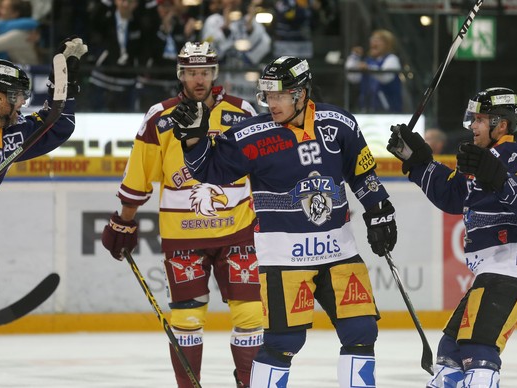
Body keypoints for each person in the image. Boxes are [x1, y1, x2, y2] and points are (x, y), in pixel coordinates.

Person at [170, 56, 398, 387]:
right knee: (283, 344)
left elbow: (362, 173)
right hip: (285, 260)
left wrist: (379, 211)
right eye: (268, 96)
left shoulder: (339, 124)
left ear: (301, 94)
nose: (271, 103)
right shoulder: (252, 135)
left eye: (279, 95)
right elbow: (209, 171)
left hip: (339, 252)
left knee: (361, 331)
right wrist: (192, 141)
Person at [101, 41, 262, 388]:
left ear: (214, 73)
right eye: (191, 72)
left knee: (250, 315)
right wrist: (124, 219)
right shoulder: (160, 116)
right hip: (183, 235)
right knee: (187, 318)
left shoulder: (243, 112)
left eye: (204, 72)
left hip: (237, 231)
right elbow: (139, 174)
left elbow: (264, 166)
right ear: (181, 74)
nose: (199, 79)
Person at [386, 87, 517, 387]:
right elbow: (452, 195)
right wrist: (417, 159)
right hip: (495, 273)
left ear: (501, 124)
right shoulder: (481, 159)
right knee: (451, 354)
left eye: (479, 119)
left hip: (516, 269)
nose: (472, 126)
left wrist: (497, 175)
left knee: (478, 352)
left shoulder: (515, 154)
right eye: (472, 118)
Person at [0, 36, 87, 346]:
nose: (22, 102)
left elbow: (58, 124)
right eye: (16, 95)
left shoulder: (9, 133)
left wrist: (63, 84)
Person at [357, 29, 403, 113]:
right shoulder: (368, 60)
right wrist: (354, 57)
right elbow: (353, 78)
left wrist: (368, 68)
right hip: (368, 109)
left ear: (387, 44)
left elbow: (385, 77)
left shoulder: (392, 59)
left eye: (378, 40)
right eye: (372, 39)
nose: (374, 43)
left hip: (388, 110)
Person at [0, 0, 40, 65]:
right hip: (21, 69)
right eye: (1, 7)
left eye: (4, 8)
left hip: (31, 71)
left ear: (15, 13)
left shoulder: (18, 34)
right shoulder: (15, 27)